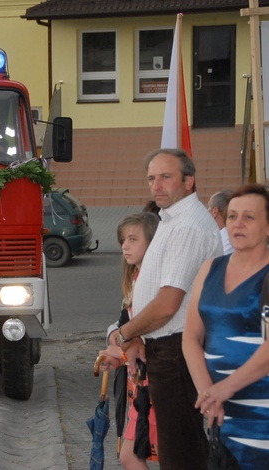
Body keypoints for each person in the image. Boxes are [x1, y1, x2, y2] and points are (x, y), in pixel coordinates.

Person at [113, 148, 222, 469]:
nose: (156, 185)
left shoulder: (188, 225)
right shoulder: (171, 219)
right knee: (178, 446)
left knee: (181, 450)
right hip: (162, 345)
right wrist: (137, 338)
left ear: (189, 181)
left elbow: (167, 304)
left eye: (166, 177)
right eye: (151, 178)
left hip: (177, 348)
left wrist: (125, 334)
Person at [183, 183, 269, 470]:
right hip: (221, 412)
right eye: (232, 216)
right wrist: (207, 393)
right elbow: (191, 337)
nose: (238, 224)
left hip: (262, 414)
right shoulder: (210, 269)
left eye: (249, 217)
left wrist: (225, 389)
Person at [97, 212, 160, 469]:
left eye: (133, 239)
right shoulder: (136, 278)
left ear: (153, 243)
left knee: (168, 453)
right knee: (130, 455)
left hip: (156, 381)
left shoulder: (155, 282)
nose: (125, 245)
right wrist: (118, 349)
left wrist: (121, 345)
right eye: (123, 239)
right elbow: (125, 328)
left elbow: (147, 338)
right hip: (140, 383)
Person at [208, 189, 234, 255]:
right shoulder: (217, 237)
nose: (207, 212)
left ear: (215, 211)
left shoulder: (229, 241)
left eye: (209, 207)